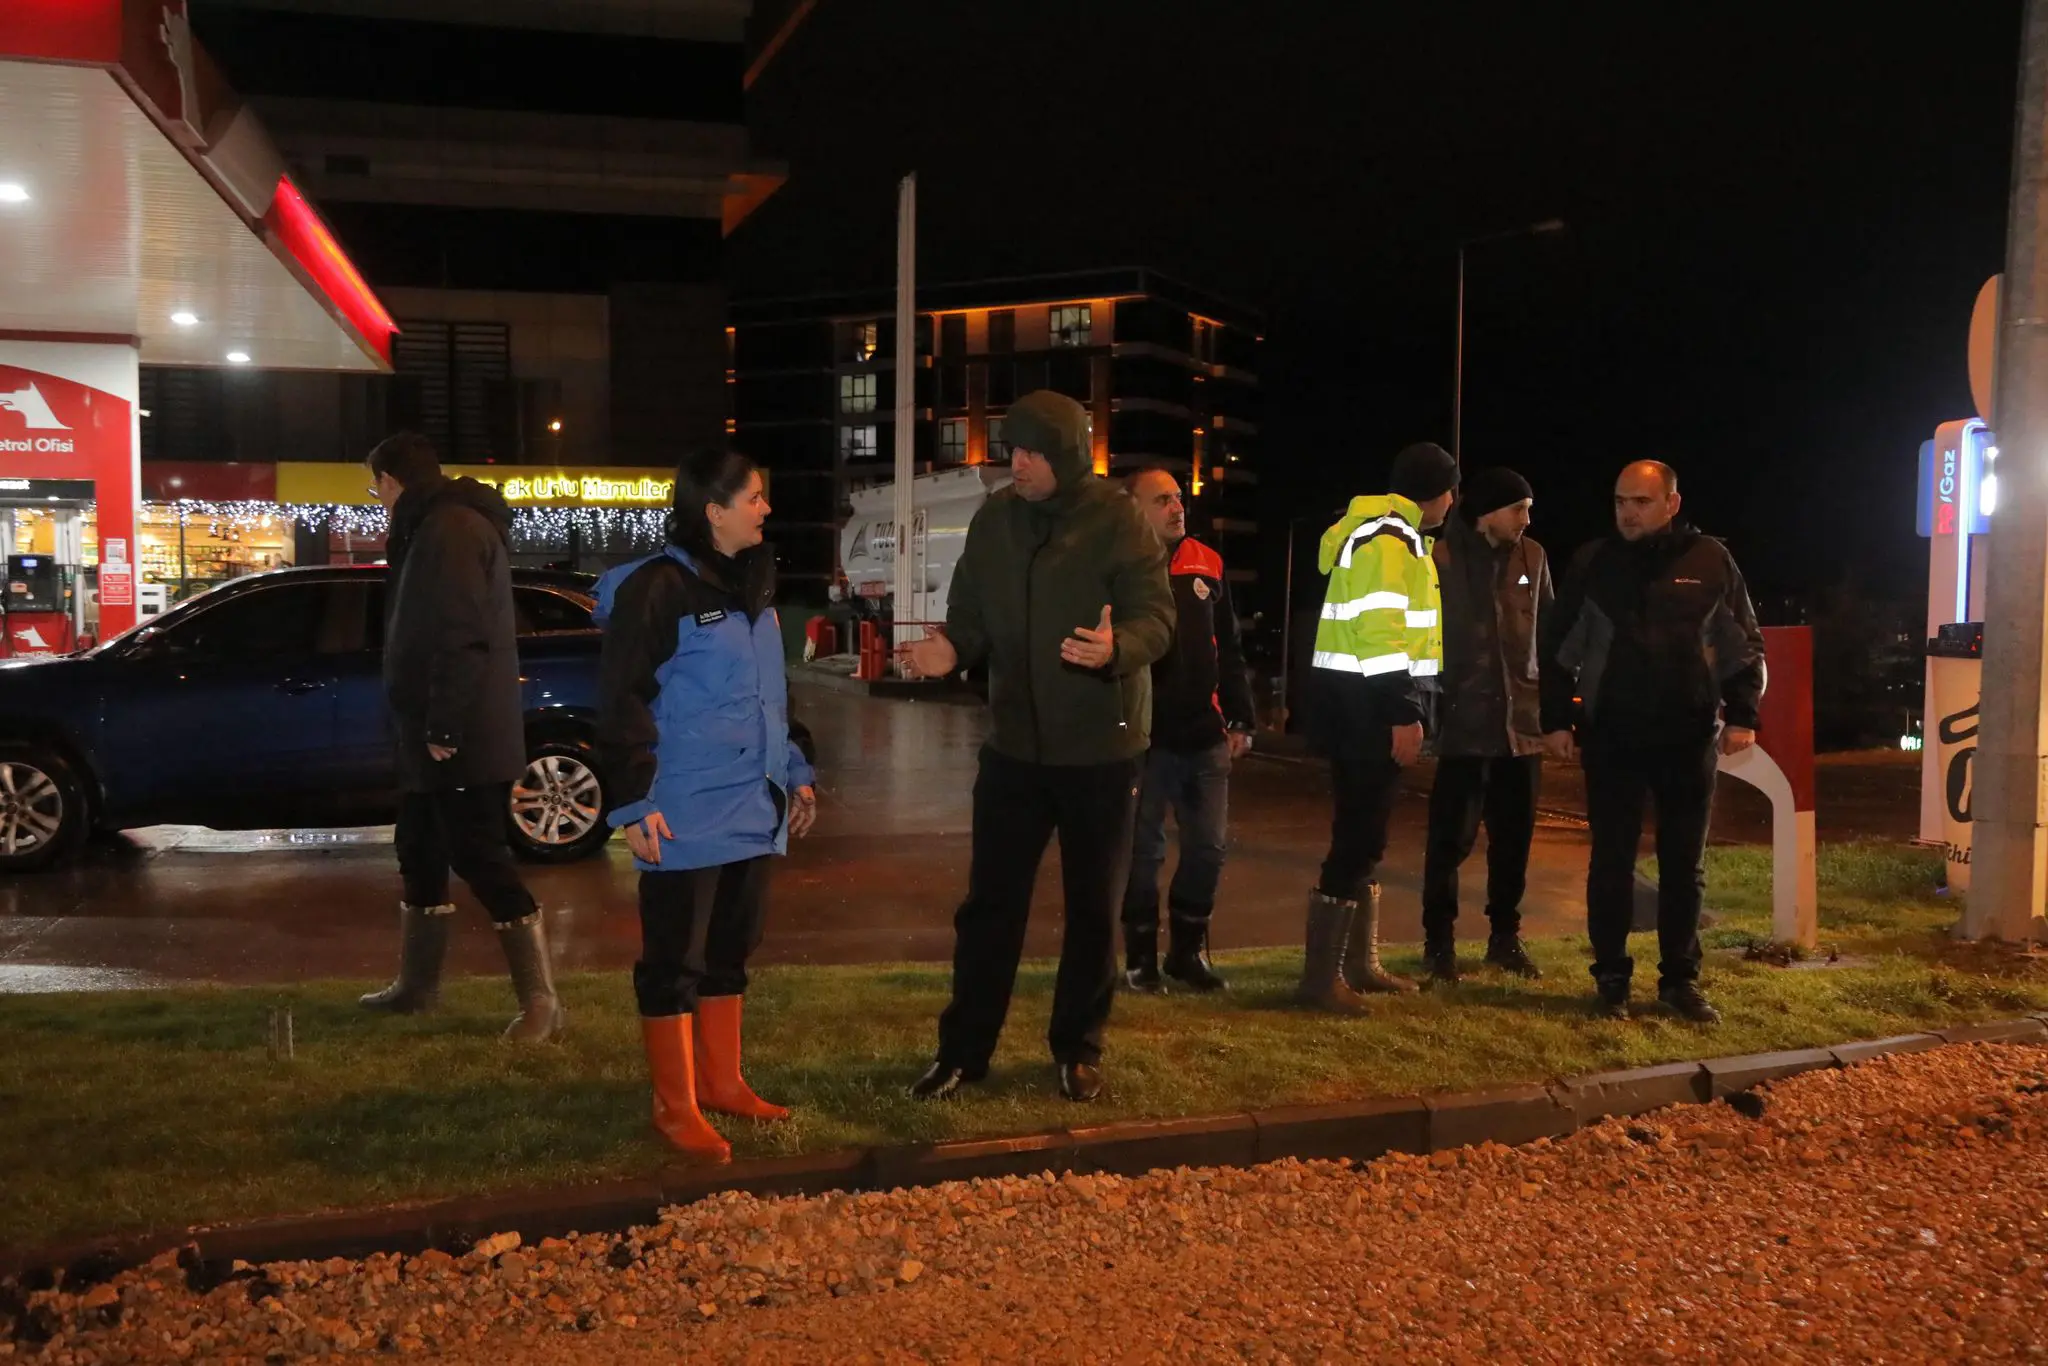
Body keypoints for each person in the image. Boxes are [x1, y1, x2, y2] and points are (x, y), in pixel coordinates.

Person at [899, 390, 1175, 1103]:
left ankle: (1077, 1048)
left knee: (1093, 910)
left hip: (1102, 750)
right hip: (1014, 748)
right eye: (1012, 450)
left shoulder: (1118, 520)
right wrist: (949, 651)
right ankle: (963, 1053)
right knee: (989, 907)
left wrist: (1118, 647)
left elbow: (1156, 617)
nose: (1017, 464)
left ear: (1068, 455)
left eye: (1032, 453)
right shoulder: (995, 521)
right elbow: (969, 617)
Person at [594, 449, 818, 1162]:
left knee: (730, 950)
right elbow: (622, 699)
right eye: (754, 497)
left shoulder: (755, 588)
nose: (766, 508)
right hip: (683, 809)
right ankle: (674, 1106)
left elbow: (771, 695)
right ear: (713, 511)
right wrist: (634, 802)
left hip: (754, 802)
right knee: (673, 960)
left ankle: (721, 1083)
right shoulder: (659, 589)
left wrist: (797, 770)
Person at [1541, 460, 1764, 1025]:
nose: (1628, 513)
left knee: (1684, 864)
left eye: (1641, 501)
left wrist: (1742, 716)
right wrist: (1556, 720)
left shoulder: (1709, 560)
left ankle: (1680, 981)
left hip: (1687, 735)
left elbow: (1742, 642)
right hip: (1612, 736)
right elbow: (1557, 647)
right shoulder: (1594, 562)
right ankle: (1611, 979)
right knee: (1611, 861)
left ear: (1672, 503)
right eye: (1620, 501)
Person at [358, 432, 564, 1042]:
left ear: (390, 480)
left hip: (459, 734)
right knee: (419, 849)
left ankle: (542, 1004)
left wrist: (444, 724)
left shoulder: (447, 529)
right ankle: (417, 989)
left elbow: (459, 632)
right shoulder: (435, 525)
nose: (376, 499)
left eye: (375, 488)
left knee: (479, 855)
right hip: (435, 731)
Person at [1300, 442, 1458, 1012]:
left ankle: (1355, 967)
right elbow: (1381, 636)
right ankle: (1323, 981)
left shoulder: (1385, 535)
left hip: (1356, 709)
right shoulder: (1391, 541)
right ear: (1439, 492)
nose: (1453, 501)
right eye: (1451, 490)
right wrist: (1404, 712)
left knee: (1365, 836)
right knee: (1357, 838)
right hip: (1369, 713)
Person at [1120, 467, 1256, 994]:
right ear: (1134, 509)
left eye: (1177, 497)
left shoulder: (1207, 562)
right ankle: (1140, 960)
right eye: (1161, 500)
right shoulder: (1119, 565)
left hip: (1205, 738)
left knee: (1208, 849)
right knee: (1143, 855)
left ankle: (1185, 955)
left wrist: (1241, 717)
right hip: (1144, 741)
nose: (1177, 508)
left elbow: (1230, 648)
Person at [1421, 466, 1552, 985]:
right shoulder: (1439, 558)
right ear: (1487, 512)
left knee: (1513, 840)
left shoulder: (1533, 557)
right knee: (1449, 842)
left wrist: (1554, 713)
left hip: (1522, 727)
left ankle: (1505, 938)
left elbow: (1548, 632)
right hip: (1463, 726)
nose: (1526, 519)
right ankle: (1439, 944)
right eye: (1519, 508)